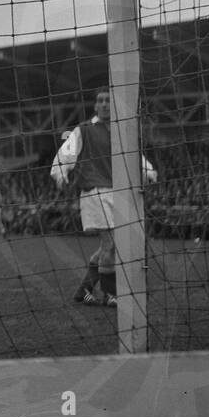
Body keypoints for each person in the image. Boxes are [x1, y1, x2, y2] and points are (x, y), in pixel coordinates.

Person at [51, 88, 157, 307]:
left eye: (109, 100)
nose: (105, 104)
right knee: (111, 244)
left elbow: (135, 157)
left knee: (110, 246)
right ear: (95, 106)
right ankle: (111, 295)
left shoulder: (122, 131)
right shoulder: (84, 130)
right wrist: (61, 175)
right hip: (95, 192)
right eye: (101, 100)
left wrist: (148, 171)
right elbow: (64, 155)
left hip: (119, 193)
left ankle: (84, 291)